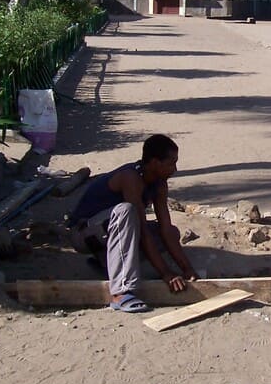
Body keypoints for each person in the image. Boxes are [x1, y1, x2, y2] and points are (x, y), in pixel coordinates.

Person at [68, 134, 198, 312]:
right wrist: (166, 274)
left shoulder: (159, 185)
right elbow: (142, 231)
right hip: (84, 234)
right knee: (127, 212)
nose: (174, 169)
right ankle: (121, 293)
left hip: (108, 232)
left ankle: (107, 263)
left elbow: (166, 228)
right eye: (170, 163)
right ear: (154, 162)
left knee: (172, 232)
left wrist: (187, 269)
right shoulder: (131, 178)